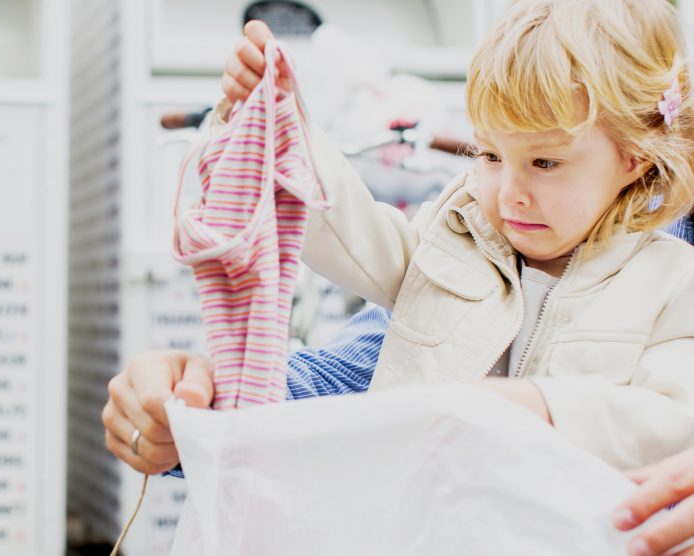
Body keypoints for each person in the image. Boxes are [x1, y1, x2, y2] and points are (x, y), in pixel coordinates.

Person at [104, 1, 694, 548]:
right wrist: (286, 129)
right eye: (490, 155)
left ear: (632, 157)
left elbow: (672, 417)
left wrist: (533, 407)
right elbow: (356, 232)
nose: (509, 193)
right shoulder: (462, 230)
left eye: (545, 162)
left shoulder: (670, 279)